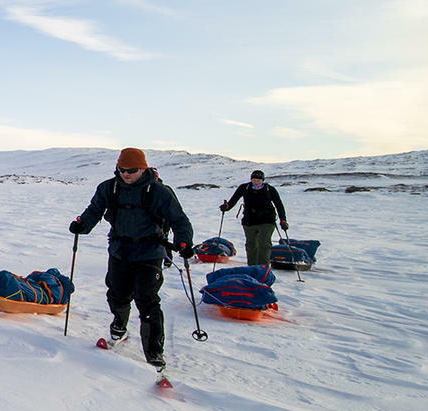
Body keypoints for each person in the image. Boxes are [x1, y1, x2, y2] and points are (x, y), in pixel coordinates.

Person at [68, 147, 194, 371]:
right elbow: (95, 209)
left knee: (147, 300)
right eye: (121, 169)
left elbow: (179, 220)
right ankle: (119, 327)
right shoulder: (110, 187)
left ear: (143, 168)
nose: (125, 174)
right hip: (120, 250)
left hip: (150, 252)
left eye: (131, 170)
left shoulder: (158, 191)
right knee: (117, 294)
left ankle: (154, 352)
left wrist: (183, 242)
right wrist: (82, 225)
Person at [220, 170, 288, 267]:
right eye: (254, 179)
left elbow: (279, 205)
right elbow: (233, 200)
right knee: (251, 245)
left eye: (258, 180)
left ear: (262, 180)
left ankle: (263, 267)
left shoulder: (270, 189)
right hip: (249, 221)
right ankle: (252, 267)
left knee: (263, 243)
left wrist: (283, 220)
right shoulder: (244, 188)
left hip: (267, 220)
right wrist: (226, 207)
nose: (256, 181)